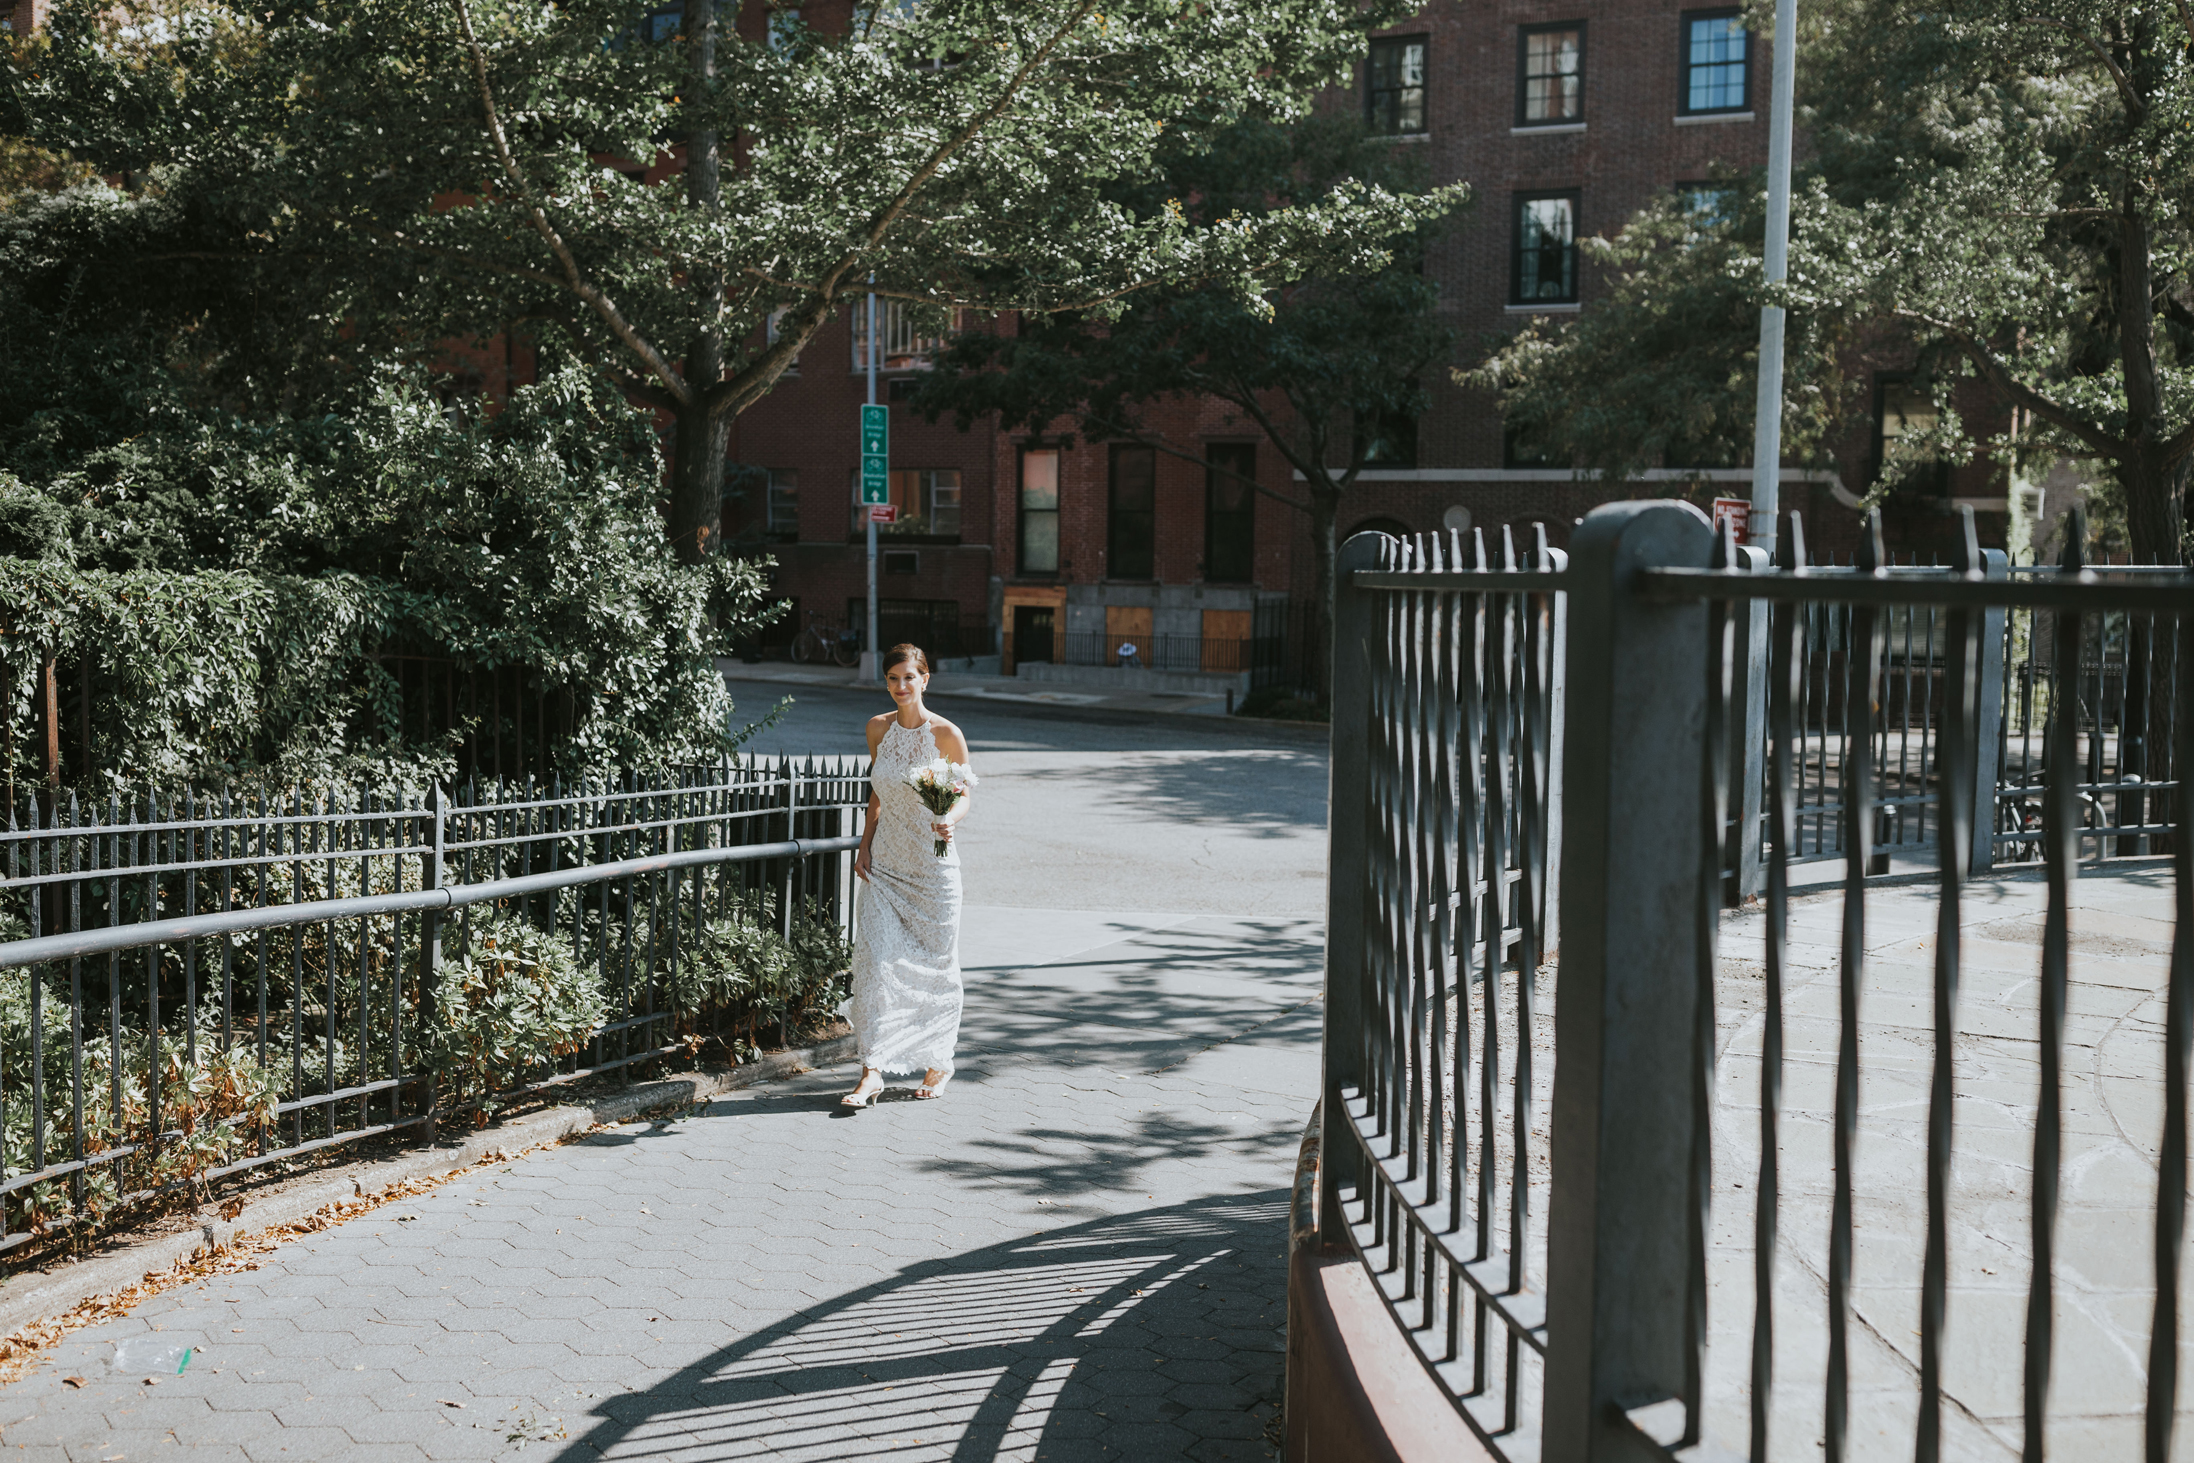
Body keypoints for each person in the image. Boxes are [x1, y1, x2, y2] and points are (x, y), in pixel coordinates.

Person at [842, 644, 974, 1106]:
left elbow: (962, 795)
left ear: (925, 679)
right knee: (876, 963)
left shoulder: (946, 735)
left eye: (908, 678)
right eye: (892, 678)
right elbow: (877, 791)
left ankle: (939, 1062)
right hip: (887, 866)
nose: (900, 687)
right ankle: (872, 1070)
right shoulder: (877, 729)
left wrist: (950, 819)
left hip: (934, 869)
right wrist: (864, 842)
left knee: (937, 969)